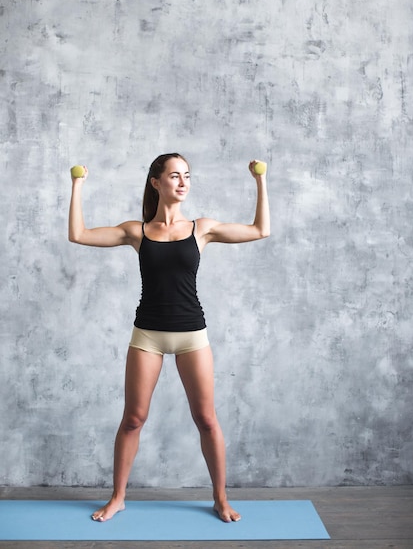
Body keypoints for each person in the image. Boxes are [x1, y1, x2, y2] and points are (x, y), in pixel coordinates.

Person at [68, 152, 270, 523]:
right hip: (147, 335)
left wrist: (260, 179)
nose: (182, 182)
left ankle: (221, 499)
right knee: (133, 419)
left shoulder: (202, 228)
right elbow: (78, 235)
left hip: (192, 335)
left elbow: (260, 230)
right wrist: (78, 184)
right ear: (156, 182)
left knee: (207, 419)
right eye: (174, 176)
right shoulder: (137, 232)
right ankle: (118, 498)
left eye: (187, 176)